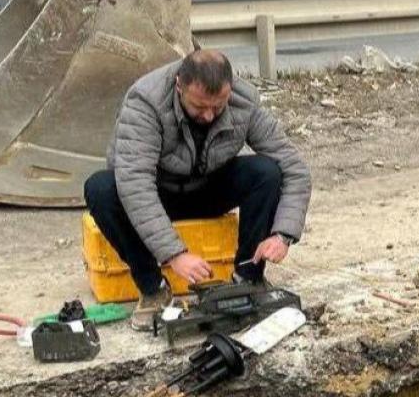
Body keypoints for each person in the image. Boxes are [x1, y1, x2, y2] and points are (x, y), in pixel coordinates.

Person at [84, 49, 311, 330]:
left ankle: (248, 279)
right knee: (101, 188)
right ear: (179, 85)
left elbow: (294, 168)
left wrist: (283, 235)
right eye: (199, 106)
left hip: (208, 188)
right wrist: (174, 254)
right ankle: (153, 288)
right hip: (158, 192)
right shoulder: (145, 101)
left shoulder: (243, 100)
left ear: (229, 89)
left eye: (218, 107)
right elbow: (135, 183)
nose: (208, 115)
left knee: (266, 171)